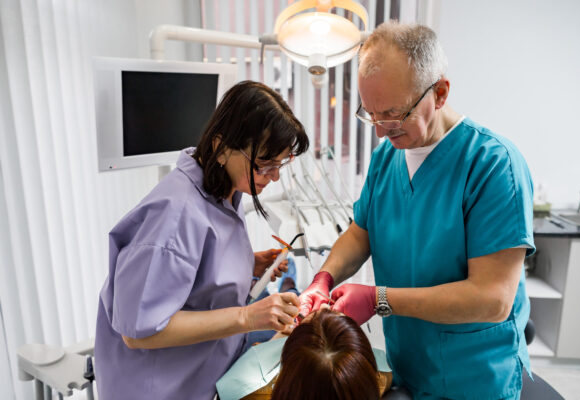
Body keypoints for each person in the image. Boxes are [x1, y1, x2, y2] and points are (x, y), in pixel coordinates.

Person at [300, 22, 535, 400]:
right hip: (408, 362)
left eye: (391, 115)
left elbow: (493, 299)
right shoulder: (386, 158)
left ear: (439, 93)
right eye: (370, 114)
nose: (379, 131)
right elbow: (362, 232)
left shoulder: (492, 166)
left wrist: (379, 299)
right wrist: (324, 277)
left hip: (473, 378)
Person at [95, 80, 308, 400]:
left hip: (204, 372)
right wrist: (248, 317)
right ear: (222, 148)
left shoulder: (224, 189)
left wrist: (248, 263)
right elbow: (137, 333)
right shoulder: (174, 216)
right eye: (265, 165)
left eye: (280, 165)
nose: (274, 177)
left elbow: (191, 269)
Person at [216, 308, 393, 400]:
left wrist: (278, 338)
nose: (324, 306)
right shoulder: (382, 375)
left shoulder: (245, 388)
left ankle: (289, 285)